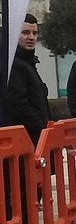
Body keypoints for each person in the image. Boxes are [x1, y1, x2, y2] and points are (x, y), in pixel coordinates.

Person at [3, 14, 51, 146]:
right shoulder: (13, 65)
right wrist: (42, 129)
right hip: (26, 141)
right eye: (25, 32)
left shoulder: (28, 63)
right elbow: (19, 105)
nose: (31, 37)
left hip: (35, 139)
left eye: (34, 33)